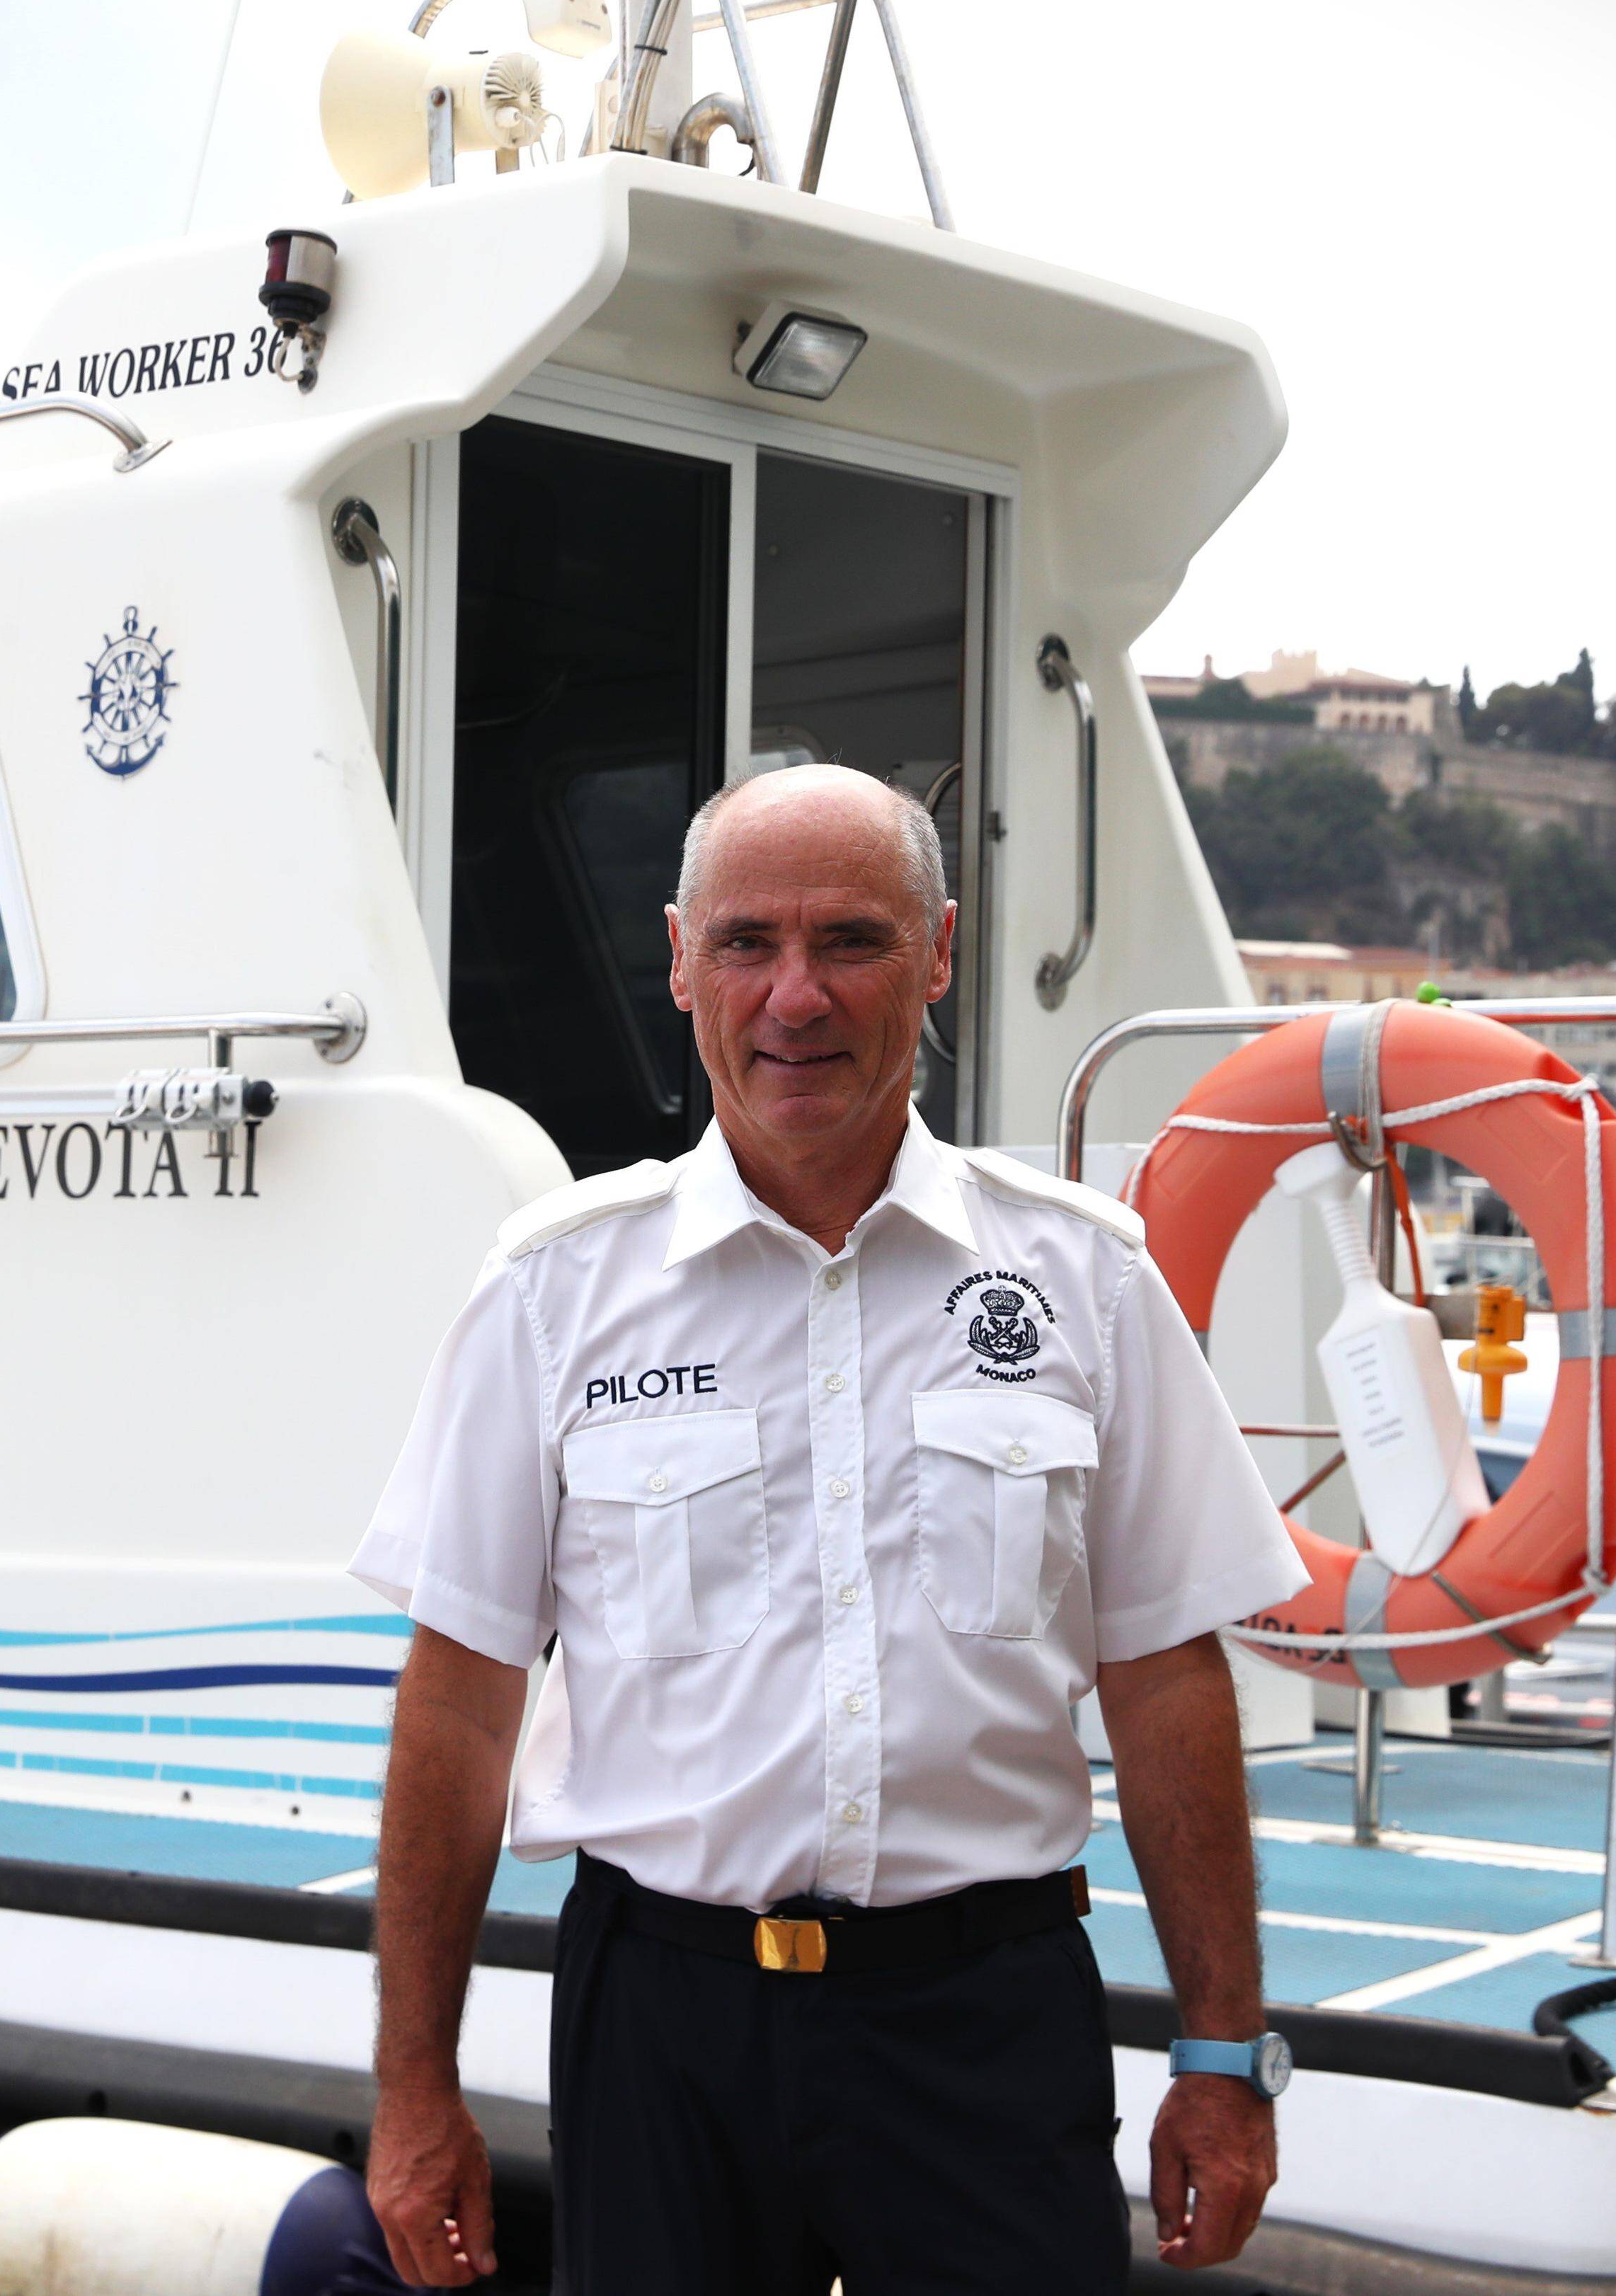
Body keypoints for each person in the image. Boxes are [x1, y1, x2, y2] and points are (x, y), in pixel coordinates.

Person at [350, 764, 1307, 2292]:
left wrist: (1222, 2048)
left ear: (935, 955)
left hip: (984, 2019)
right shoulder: (552, 1289)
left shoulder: (1086, 1280)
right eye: (744, 942)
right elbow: (460, 1707)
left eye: (850, 940)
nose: (793, 995)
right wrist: (413, 2089)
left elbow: (1167, 1676)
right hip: (661, 2022)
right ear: (677, 960)